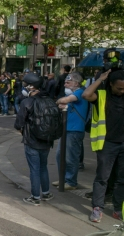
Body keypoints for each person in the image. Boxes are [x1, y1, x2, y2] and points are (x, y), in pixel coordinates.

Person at [82, 69, 124, 222]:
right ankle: (97, 208)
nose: (122, 91)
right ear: (111, 84)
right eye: (119, 88)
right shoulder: (101, 96)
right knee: (102, 177)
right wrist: (100, 79)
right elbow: (86, 95)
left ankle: (117, 209)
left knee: (122, 179)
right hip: (107, 144)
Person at [14, 72, 55, 205]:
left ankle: (35, 197)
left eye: (26, 85)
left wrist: (22, 130)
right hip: (47, 140)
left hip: (31, 140)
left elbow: (18, 124)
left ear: (31, 87)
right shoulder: (49, 100)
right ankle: (46, 193)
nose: (24, 87)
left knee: (34, 169)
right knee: (43, 166)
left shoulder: (27, 102)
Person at [52, 72, 88, 190]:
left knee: (70, 157)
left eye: (68, 82)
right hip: (66, 128)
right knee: (60, 156)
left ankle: (71, 181)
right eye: (65, 82)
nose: (65, 85)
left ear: (76, 83)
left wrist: (61, 101)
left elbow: (65, 100)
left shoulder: (80, 92)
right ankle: (63, 179)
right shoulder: (74, 93)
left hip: (75, 130)